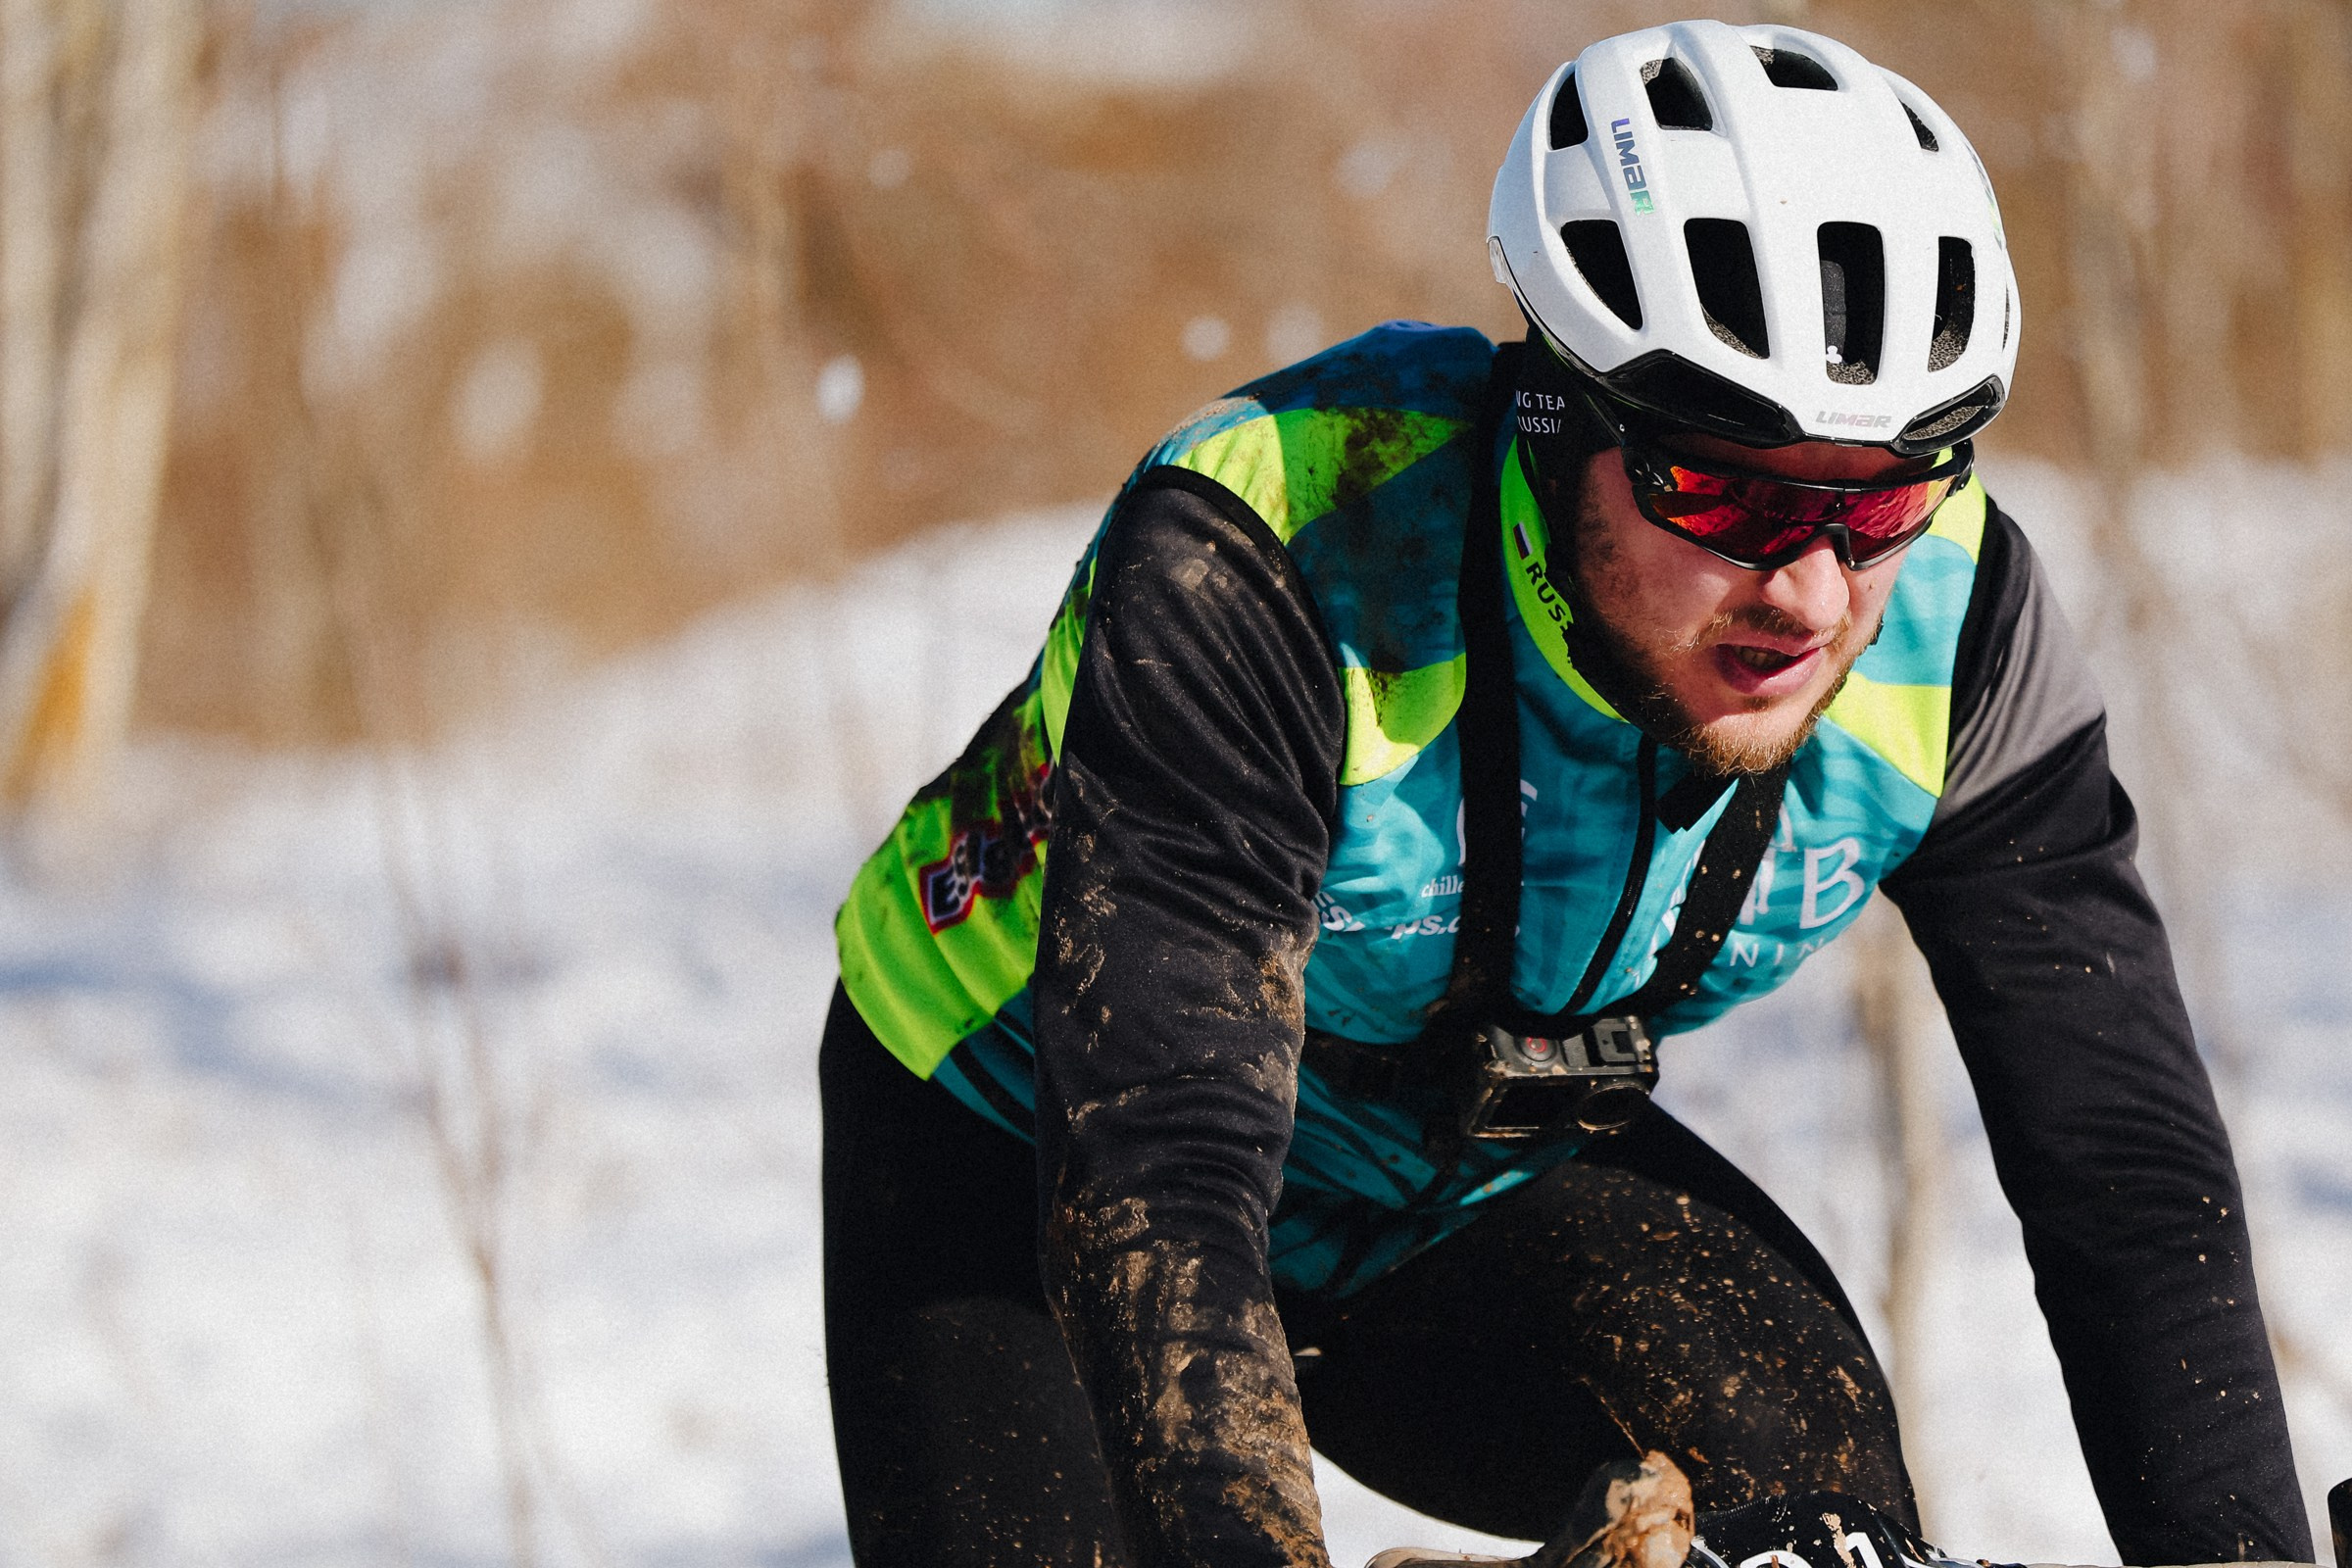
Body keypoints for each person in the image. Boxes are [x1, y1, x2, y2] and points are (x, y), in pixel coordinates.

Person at [822, 20, 2310, 1568]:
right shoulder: (1278, 550)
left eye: (1880, 499)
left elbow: (2123, 1171)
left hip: (1454, 1157)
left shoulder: (1957, 626)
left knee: (1806, 1483)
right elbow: (1166, 1166)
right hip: (1022, 1128)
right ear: (1558, 421)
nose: (1809, 590)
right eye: (1728, 491)